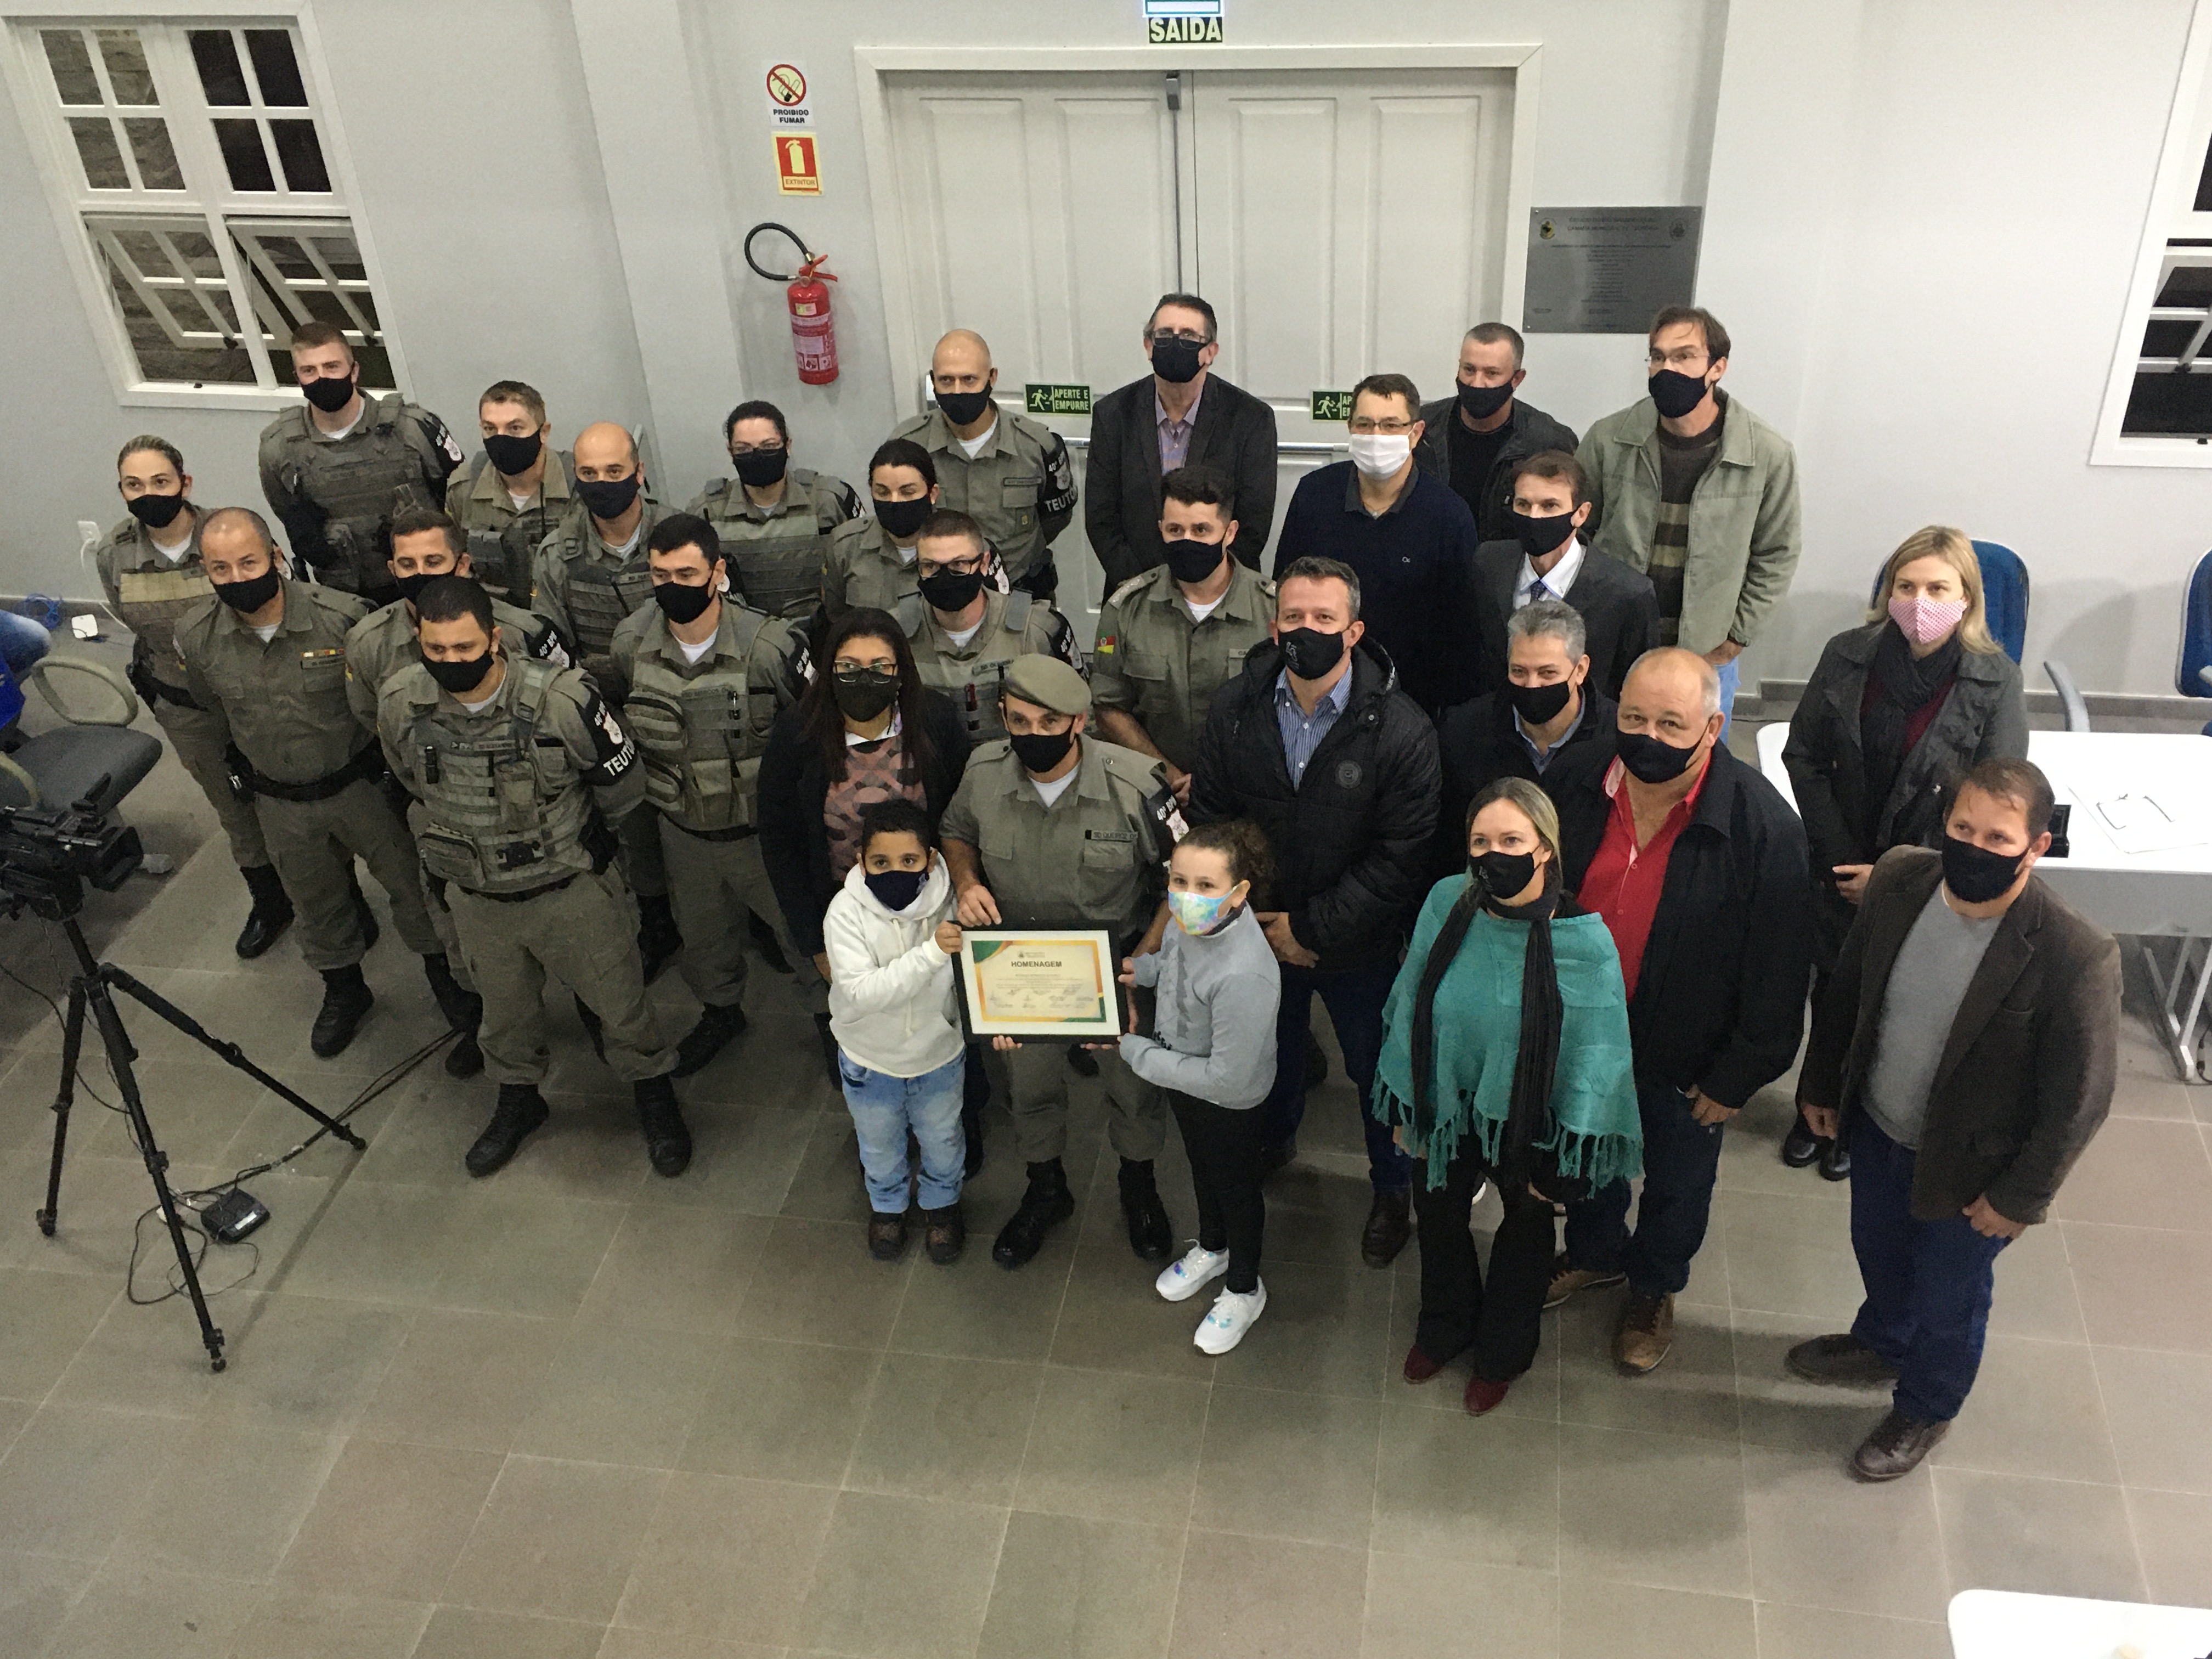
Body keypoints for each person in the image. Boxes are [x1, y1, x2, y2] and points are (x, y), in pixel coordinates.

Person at [1791, 759, 2119, 1480]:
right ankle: (1883, 1340)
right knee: (1877, 1248)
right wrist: (1820, 1083)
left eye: (1998, 838)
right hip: (1880, 1127)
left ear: (2037, 846)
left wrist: (2020, 1198)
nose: (1974, 847)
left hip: (1974, 1174)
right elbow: (1849, 990)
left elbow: (2080, 1098)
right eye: (1963, 828)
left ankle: (1927, 1406)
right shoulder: (1901, 880)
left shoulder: (2074, 953)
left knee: (1951, 1297)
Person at [1541, 648, 1812, 1373]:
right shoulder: (1574, 782)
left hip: (1688, 1059)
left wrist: (1736, 1077)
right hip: (1583, 1038)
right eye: (1634, 718)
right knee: (1586, 1156)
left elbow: (1780, 974)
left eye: (1671, 724)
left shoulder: (1765, 830)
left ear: (1713, 728)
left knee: (1678, 1183)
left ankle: (1654, 1286)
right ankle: (1596, 1253)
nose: (1648, 738)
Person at [375, 575, 691, 1178]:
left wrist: (583, 842)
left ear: (494, 639)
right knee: (504, 1015)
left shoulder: (562, 701)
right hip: (478, 899)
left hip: (569, 891)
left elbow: (622, 785)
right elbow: (409, 779)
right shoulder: (401, 703)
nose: (450, 662)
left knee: (621, 1005)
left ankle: (654, 1094)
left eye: (464, 648)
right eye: (436, 650)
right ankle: (520, 1100)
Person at [1188, 556, 1440, 1266]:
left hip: (1357, 947)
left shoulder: (1402, 729)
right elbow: (1211, 822)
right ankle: (1275, 1142)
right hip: (1257, 935)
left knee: (1375, 1071)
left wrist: (1310, 929)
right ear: (1274, 626)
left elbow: (1401, 858)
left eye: (1324, 618)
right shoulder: (1235, 709)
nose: (1307, 630)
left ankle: (1391, 1189)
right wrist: (1257, 924)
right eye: (1294, 617)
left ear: (1354, 631)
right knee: (1270, 1051)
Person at [1376, 779, 1641, 1414]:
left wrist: (1567, 1160)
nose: (1494, 855)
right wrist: (1410, 1106)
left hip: (1532, 1118)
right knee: (1438, 1216)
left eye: (1512, 841)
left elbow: (1599, 1056)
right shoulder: (1447, 901)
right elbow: (1411, 1000)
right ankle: (1444, 1326)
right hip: (1448, 1104)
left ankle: (1502, 1353)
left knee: (1525, 1234)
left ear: (1545, 848)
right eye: (1481, 842)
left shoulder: (1583, 942)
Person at [1780, 527, 2028, 1180]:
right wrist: (1840, 858)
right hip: (1840, 860)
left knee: (1892, 998)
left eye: (1938, 588)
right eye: (1907, 586)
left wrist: (1896, 876)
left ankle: (1854, 1121)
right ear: (1887, 592)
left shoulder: (1996, 680)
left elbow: (1994, 797)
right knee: (1832, 986)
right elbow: (1803, 755)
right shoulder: (1847, 655)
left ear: (1966, 598)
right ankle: (1813, 1105)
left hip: (1926, 872)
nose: (1921, 602)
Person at [176, 507, 452, 1057]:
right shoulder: (198, 637)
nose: (237, 578)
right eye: (220, 568)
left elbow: (382, 701)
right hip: (279, 799)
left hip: (362, 788)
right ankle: (345, 990)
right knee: (314, 902)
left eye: (249, 563)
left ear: (276, 556)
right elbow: (213, 707)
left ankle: (451, 989)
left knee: (414, 890)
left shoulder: (342, 618)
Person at [941, 655, 1176, 1267]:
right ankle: (1046, 1189)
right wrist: (966, 881)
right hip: (1019, 968)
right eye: (1019, 720)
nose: (1033, 734)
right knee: (1030, 1088)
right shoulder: (983, 773)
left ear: (1079, 721)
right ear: (1003, 716)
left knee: (1133, 1086)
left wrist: (1140, 967)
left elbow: (1182, 884)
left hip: (1117, 964)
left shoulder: (1135, 783)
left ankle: (1139, 1186)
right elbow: (956, 831)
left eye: (1050, 722)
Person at [343, 506, 574, 1076]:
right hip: (447, 818)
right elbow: (380, 728)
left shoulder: (522, 631)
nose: (421, 574)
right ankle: (490, 1034)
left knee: (579, 942)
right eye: (407, 564)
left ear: (463, 563)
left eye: (434, 561)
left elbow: (571, 713)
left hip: (536, 812)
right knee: (461, 935)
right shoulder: (369, 643)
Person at [602, 514, 812, 1077]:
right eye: (660, 575)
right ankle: (721, 1012)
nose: (672, 586)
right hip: (684, 834)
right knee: (704, 940)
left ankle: (830, 1022)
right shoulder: (631, 643)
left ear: (718, 572)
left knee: (803, 938)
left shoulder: (771, 647)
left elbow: (816, 733)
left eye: (687, 574)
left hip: (764, 837)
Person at [758, 606, 971, 1099]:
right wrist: (814, 941)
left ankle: (954, 1106)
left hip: (929, 907)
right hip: (844, 912)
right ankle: (876, 1105)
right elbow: (780, 838)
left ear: (901, 672)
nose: (864, 680)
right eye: (849, 668)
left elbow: (962, 814)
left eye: (880, 667)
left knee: (939, 1009)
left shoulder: (934, 719)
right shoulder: (798, 732)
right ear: (829, 670)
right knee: (866, 1015)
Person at [93, 436, 292, 958]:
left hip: (257, 695)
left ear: (185, 483)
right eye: (134, 485)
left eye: (160, 481)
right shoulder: (115, 554)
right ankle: (270, 901)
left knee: (294, 796)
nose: (149, 494)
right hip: (186, 706)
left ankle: (335, 894)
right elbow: (132, 623)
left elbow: (281, 604)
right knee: (234, 807)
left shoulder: (228, 536)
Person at [1577, 306, 1801, 727]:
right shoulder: (1609, 439)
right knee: (1606, 749)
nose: (1667, 369)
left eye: (1684, 357)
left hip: (1706, 653)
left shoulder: (1766, 453)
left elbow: (1777, 552)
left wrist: (1735, 639)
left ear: (1718, 367)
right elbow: (1578, 532)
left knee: (1697, 758)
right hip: (1616, 643)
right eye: (1658, 357)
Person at [1122, 821, 1282, 1353]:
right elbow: (1173, 963)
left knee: (1236, 1186)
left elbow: (1226, 1080)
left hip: (1228, 1101)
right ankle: (1213, 1247)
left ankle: (1245, 1286)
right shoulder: (1186, 924)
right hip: (1183, 1074)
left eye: (1206, 886)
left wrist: (1139, 1053)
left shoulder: (1245, 973)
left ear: (1239, 893)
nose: (1188, 897)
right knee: (1201, 1167)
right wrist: (1141, 971)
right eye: (1179, 881)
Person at [531, 420, 679, 979]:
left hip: (683, 695)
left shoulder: (679, 532)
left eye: (614, 471)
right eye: (589, 473)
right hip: (607, 709)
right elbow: (550, 649)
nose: (601, 483)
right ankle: (657, 917)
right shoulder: (558, 555)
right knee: (635, 826)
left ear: (639, 473)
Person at [1273, 374, 1480, 716]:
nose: (1376, 436)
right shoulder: (1314, 494)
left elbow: (1460, 631)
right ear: (1350, 427)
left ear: (1416, 433)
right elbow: (1285, 588)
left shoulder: (1449, 515)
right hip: (1319, 688)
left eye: (1391, 425)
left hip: (1413, 699)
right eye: (1365, 424)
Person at [825, 799, 970, 1265]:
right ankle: (887, 1206)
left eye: (909, 861)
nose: (896, 872)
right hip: (871, 1061)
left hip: (938, 1055)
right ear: (860, 861)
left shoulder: (953, 904)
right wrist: (932, 953)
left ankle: (942, 1206)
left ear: (930, 858)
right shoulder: (844, 913)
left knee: (944, 1139)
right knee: (879, 1145)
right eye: (881, 862)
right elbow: (861, 993)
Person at [1090, 464, 1275, 804]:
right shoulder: (1126, 608)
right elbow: (1108, 707)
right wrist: (1168, 774)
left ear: (1230, 533)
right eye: (1175, 530)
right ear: (1160, 528)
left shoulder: (1273, 611)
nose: (1187, 541)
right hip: (1151, 791)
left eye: (1201, 530)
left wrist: (1217, 781)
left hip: (1246, 795)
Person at [257, 320, 462, 604]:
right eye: (309, 371)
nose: (322, 378)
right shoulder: (278, 448)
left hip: (428, 590)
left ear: (354, 371)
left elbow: (459, 501)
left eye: (332, 367)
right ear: (298, 377)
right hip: (342, 597)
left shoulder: (414, 429)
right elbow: (283, 508)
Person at [1085, 293, 1280, 590]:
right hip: (1134, 591)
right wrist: (1144, 589)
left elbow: (1253, 525)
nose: (1175, 343)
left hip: (1222, 593)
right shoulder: (1113, 414)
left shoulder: (1251, 418)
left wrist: (1206, 588)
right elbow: (1101, 519)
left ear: (1211, 352)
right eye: (1165, 335)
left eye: (1189, 336)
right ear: (1148, 345)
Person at [1431, 600, 1617, 882]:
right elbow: (1447, 840)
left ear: (1580, 670)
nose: (1532, 685)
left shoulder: (1616, 738)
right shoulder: (1464, 732)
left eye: (1547, 673)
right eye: (1519, 672)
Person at [888, 329, 1077, 599]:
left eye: (969, 379)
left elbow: (1057, 517)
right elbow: (895, 518)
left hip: (1020, 594)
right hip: (938, 596)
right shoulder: (907, 446)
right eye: (946, 380)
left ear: (992, 378)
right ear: (933, 381)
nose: (957, 391)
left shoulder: (1036, 446)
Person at [1466, 452, 1656, 701]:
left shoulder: (1627, 593)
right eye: (1523, 505)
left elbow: (1636, 686)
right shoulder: (1489, 564)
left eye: (1549, 506)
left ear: (1581, 514)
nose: (1534, 517)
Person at [904, 509, 1079, 745]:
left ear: (984, 563)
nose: (944, 577)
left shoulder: (1037, 628)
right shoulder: (897, 634)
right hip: (931, 763)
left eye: (959, 564)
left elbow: (1076, 717)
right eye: (930, 566)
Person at [686, 399, 861, 620]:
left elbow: (864, 567)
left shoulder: (829, 499)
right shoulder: (706, 511)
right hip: (745, 634)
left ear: (787, 446)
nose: (756, 456)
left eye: (769, 447)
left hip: (823, 629)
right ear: (731, 452)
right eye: (743, 449)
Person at [1413, 323, 1579, 542]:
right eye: (1469, 370)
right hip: (1433, 555)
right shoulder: (1422, 428)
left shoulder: (1548, 441)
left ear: (1517, 379)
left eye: (1491, 373)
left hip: (1508, 561)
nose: (1477, 383)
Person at [445, 379, 575, 605]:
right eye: (490, 429)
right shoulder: (463, 488)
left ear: (544, 432)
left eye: (515, 428)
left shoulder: (579, 483)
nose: (501, 439)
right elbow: (455, 565)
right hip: (499, 616)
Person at [821, 438, 939, 620]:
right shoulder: (845, 547)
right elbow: (836, 618)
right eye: (883, 493)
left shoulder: (960, 546)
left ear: (932, 494)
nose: (894, 501)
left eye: (907, 492)